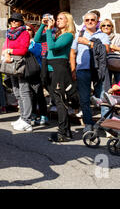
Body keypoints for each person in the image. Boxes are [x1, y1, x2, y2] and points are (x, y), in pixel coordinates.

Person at [35, 12, 78, 142]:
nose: (57, 21)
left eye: (60, 19)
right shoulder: (55, 34)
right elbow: (37, 40)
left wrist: (49, 30)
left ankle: (63, 132)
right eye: (57, 18)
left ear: (67, 22)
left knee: (60, 101)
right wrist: (43, 26)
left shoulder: (68, 35)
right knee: (58, 100)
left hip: (60, 68)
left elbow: (52, 47)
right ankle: (67, 131)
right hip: (50, 68)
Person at [71, 12, 110, 134]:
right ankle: (88, 123)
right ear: (84, 22)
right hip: (82, 69)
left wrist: (88, 43)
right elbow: (72, 53)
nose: (89, 22)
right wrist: (73, 70)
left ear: (97, 21)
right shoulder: (79, 35)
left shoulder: (103, 35)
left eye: (92, 20)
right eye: (87, 20)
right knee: (84, 98)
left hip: (100, 70)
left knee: (103, 98)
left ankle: (107, 125)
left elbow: (106, 50)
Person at [2, 12, 33, 132]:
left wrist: (10, 51)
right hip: (10, 64)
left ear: (21, 22)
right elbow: (5, 46)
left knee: (24, 91)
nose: (14, 22)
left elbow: (23, 50)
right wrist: (5, 52)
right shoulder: (9, 34)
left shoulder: (24, 33)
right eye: (12, 20)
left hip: (20, 64)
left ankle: (27, 120)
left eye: (16, 20)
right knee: (16, 91)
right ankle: (22, 116)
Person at [27, 24, 49, 126]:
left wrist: (27, 48)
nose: (27, 31)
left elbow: (38, 52)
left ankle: (44, 115)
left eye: (29, 30)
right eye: (25, 30)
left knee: (39, 93)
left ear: (33, 31)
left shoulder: (36, 42)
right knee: (31, 94)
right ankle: (34, 113)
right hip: (27, 70)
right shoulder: (24, 41)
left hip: (38, 69)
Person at [100, 19, 120, 84]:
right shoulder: (98, 38)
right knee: (106, 87)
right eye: (103, 25)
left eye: (108, 25)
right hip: (104, 66)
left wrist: (118, 48)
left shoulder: (119, 37)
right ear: (101, 28)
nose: (106, 27)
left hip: (117, 64)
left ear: (112, 27)